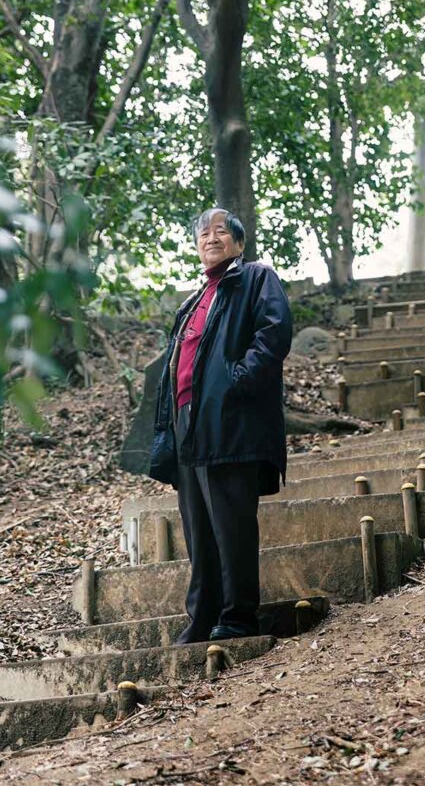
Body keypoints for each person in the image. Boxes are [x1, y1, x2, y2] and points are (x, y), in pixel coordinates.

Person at [149, 207, 292, 643]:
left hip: (230, 422)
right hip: (188, 426)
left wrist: (236, 381)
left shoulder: (255, 278)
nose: (211, 238)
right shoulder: (192, 301)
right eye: (203, 234)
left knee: (231, 524)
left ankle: (237, 617)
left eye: (221, 232)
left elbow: (274, 332)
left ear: (239, 243)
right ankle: (203, 617)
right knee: (198, 527)